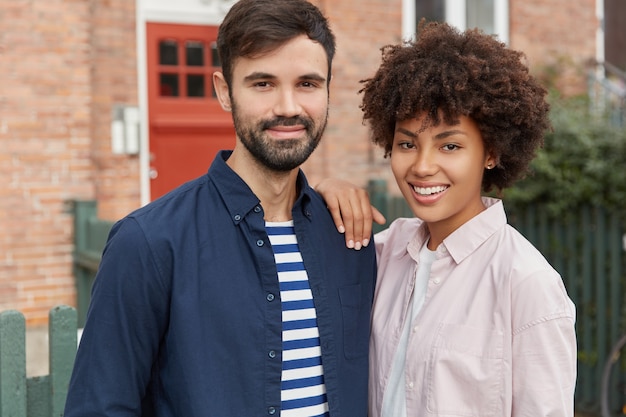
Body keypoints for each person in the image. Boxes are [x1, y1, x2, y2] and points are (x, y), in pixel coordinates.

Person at [63, 1, 376, 416]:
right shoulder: (147, 244)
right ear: (225, 91)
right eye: (262, 84)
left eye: (308, 84)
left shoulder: (349, 235)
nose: (288, 106)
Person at [318, 21, 577, 417]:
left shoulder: (526, 285)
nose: (422, 166)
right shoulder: (382, 255)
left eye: (450, 145)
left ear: (491, 152)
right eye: (407, 143)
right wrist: (321, 190)